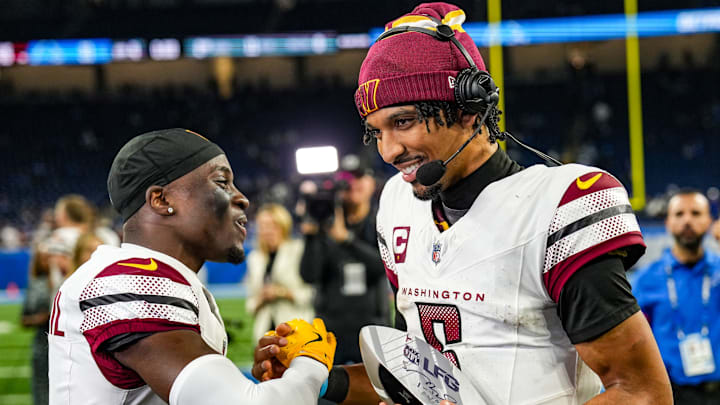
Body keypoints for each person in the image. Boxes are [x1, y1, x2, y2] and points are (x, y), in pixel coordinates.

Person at [253, 3, 672, 404]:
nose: (388, 150)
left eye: (403, 121)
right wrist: (318, 378)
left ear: (469, 109)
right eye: (375, 131)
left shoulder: (556, 207)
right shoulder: (398, 205)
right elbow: (422, 379)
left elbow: (642, 392)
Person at [48, 128, 336, 405]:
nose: (242, 198)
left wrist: (281, 382)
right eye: (222, 183)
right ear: (161, 200)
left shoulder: (161, 279)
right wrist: (310, 363)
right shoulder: (128, 281)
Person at [633, 190, 720, 404]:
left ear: (709, 221)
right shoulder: (647, 279)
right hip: (671, 394)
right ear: (668, 223)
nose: (688, 220)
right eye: (679, 214)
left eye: (696, 213)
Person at [299, 158, 389, 364]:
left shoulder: (383, 220)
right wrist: (311, 235)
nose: (352, 184)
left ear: (372, 184)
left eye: (359, 177)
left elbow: (384, 268)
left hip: (372, 326)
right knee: (329, 393)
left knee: (376, 393)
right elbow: (309, 275)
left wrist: (346, 240)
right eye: (346, 179)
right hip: (331, 328)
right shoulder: (324, 221)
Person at [245, 203, 314, 342]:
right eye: (262, 226)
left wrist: (281, 292)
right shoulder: (255, 258)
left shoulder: (298, 250)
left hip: (296, 332)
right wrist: (262, 298)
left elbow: (311, 294)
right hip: (265, 333)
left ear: (283, 226)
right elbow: (250, 305)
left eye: (272, 225)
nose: (267, 230)